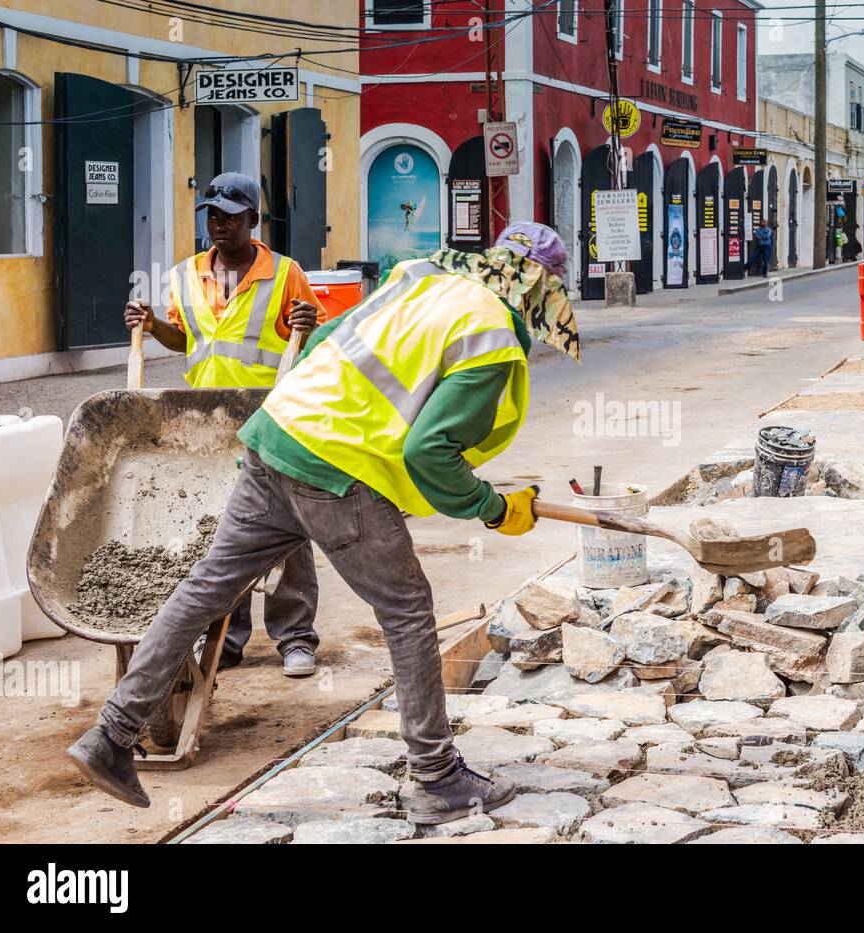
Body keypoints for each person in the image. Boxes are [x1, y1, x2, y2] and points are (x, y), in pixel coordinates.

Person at [70, 223, 579, 825]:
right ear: (542, 293)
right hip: (337, 471)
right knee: (409, 610)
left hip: (275, 437)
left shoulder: (420, 278)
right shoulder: (491, 335)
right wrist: (491, 508)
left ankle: (111, 734)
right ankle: (438, 776)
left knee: (206, 587)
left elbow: (322, 346)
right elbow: (429, 453)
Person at [124, 172, 324, 677]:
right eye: (212, 214)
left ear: (253, 221)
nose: (218, 224)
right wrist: (152, 325)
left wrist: (308, 325)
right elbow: (183, 339)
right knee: (220, 533)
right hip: (207, 420)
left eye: (231, 217)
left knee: (287, 530)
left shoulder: (285, 273)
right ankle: (225, 641)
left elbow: (313, 339)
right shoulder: (185, 274)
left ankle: (295, 638)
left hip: (273, 415)